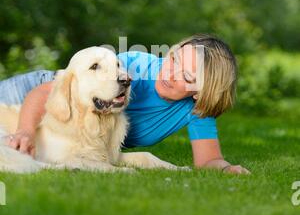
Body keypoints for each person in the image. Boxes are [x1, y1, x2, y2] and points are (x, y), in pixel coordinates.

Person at [0, 34, 250, 174]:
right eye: (173, 59)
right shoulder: (135, 67)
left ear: (200, 93)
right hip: (41, 90)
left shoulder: (196, 110)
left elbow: (207, 161)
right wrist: (24, 131)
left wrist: (227, 169)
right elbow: (47, 92)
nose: (170, 73)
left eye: (186, 76)